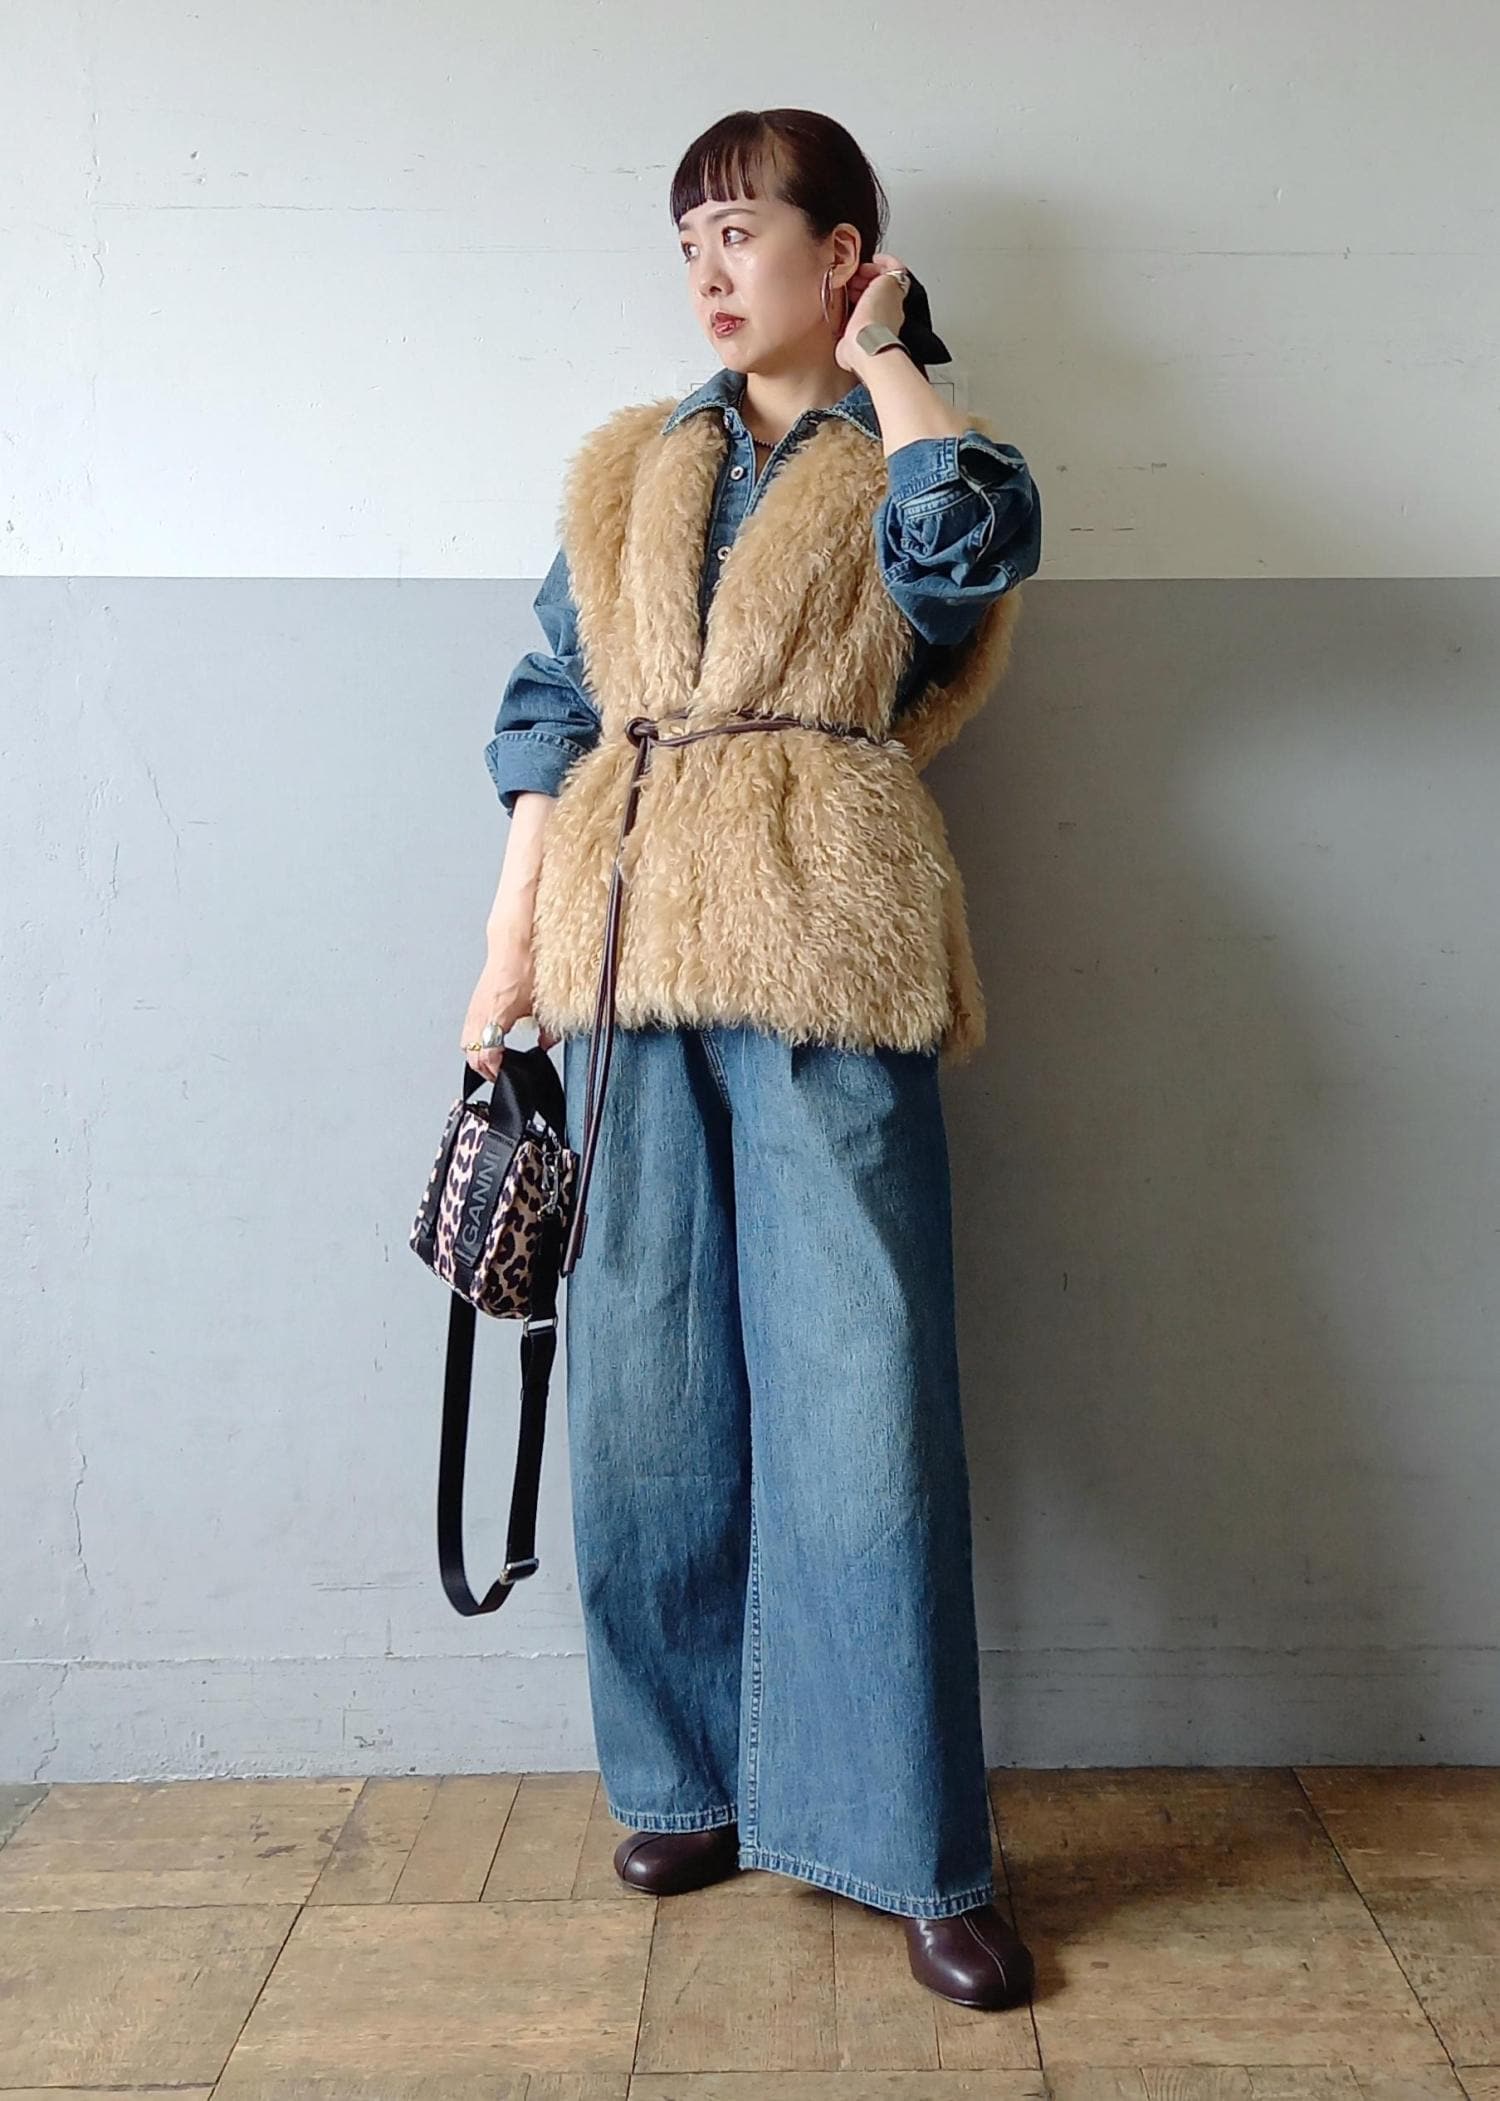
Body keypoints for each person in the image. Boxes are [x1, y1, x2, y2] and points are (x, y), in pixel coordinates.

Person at [461, 107, 1042, 2013]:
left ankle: (912, 1844)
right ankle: (688, 1778)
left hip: (824, 943)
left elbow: (970, 561)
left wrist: (893, 358)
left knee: (862, 1399)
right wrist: (506, 952)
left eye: (743, 230)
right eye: (689, 239)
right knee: (648, 1390)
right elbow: (551, 705)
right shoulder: (637, 464)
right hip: (626, 946)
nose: (710, 271)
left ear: (844, 248)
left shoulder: (914, 449)